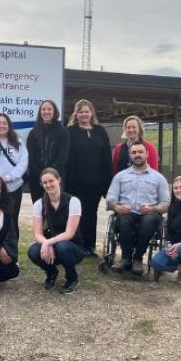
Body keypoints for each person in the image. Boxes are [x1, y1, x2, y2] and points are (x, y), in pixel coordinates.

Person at [105, 141, 170, 275]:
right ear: (130, 155)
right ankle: (126, 258)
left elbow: (166, 203)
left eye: (140, 152)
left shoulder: (159, 178)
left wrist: (153, 208)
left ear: (147, 154)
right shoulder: (120, 176)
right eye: (134, 152)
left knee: (149, 220)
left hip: (149, 214)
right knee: (124, 219)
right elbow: (110, 198)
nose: (137, 155)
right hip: (126, 213)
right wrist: (117, 207)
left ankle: (138, 259)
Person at [66, 99, 112, 257]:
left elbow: (107, 157)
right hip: (75, 182)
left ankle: (90, 245)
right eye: (81, 112)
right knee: (77, 213)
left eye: (87, 111)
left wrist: (107, 184)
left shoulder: (100, 131)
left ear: (91, 113)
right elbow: (67, 158)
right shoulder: (70, 132)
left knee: (92, 213)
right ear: (76, 114)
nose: (84, 114)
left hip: (96, 183)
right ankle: (77, 245)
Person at [27, 168, 85, 294]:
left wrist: (48, 243)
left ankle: (72, 278)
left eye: (51, 181)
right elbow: (37, 233)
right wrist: (45, 243)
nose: (48, 185)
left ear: (59, 180)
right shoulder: (39, 204)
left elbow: (69, 234)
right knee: (33, 251)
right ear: (42, 185)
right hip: (52, 246)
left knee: (62, 247)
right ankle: (51, 272)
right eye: (44, 182)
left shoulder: (73, 201)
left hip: (72, 247)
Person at [0, 113, 29, 234]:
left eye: (4, 123)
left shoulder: (17, 142)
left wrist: (9, 177)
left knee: (12, 220)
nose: (1, 126)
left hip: (13, 188)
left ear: (9, 126)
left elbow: (24, 162)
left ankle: (12, 250)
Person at [26, 100, 69, 203]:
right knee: (39, 210)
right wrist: (40, 175)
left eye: (49, 109)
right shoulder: (33, 132)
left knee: (56, 209)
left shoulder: (63, 131)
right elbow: (30, 157)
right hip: (37, 180)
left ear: (55, 111)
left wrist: (51, 174)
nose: (46, 112)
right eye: (43, 109)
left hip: (56, 178)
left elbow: (63, 155)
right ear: (40, 112)